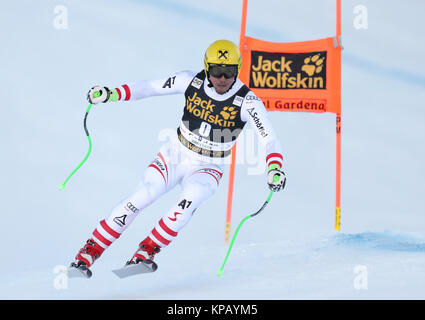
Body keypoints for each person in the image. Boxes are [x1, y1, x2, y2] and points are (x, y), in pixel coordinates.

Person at [70, 39, 286, 277]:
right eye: (216, 71)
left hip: (209, 165)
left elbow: (269, 138)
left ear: (238, 69)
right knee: (140, 198)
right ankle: (88, 253)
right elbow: (149, 87)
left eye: (229, 72)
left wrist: (274, 168)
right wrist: (111, 94)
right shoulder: (189, 80)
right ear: (206, 68)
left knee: (189, 201)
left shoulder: (248, 101)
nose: (222, 78)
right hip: (175, 154)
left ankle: (146, 252)